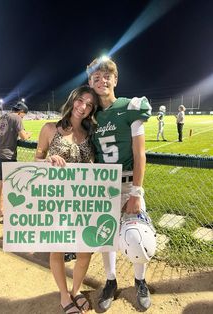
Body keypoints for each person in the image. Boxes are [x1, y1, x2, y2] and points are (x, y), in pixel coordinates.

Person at [86, 57, 154, 311]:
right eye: (96, 77)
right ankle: (111, 281)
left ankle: (140, 280)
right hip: (104, 185)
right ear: (90, 83)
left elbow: (140, 154)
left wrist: (136, 192)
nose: (102, 80)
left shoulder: (130, 106)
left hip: (128, 184)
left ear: (115, 79)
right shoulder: (90, 117)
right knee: (106, 235)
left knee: (137, 235)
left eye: (106, 76)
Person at [35, 85, 99, 314]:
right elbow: (36, 162)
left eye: (89, 104)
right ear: (73, 100)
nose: (83, 107)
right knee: (57, 251)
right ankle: (64, 294)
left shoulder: (91, 134)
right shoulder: (49, 129)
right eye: (81, 100)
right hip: (56, 202)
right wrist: (48, 160)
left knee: (85, 252)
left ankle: (76, 289)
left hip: (83, 202)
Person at [0, 101, 32, 217]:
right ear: (21, 112)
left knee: (2, 181)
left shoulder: (2, 117)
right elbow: (23, 137)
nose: (23, 118)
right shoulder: (16, 118)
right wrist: (28, 134)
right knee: (6, 182)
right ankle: (2, 210)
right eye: (23, 115)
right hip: (7, 155)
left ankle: (0, 209)